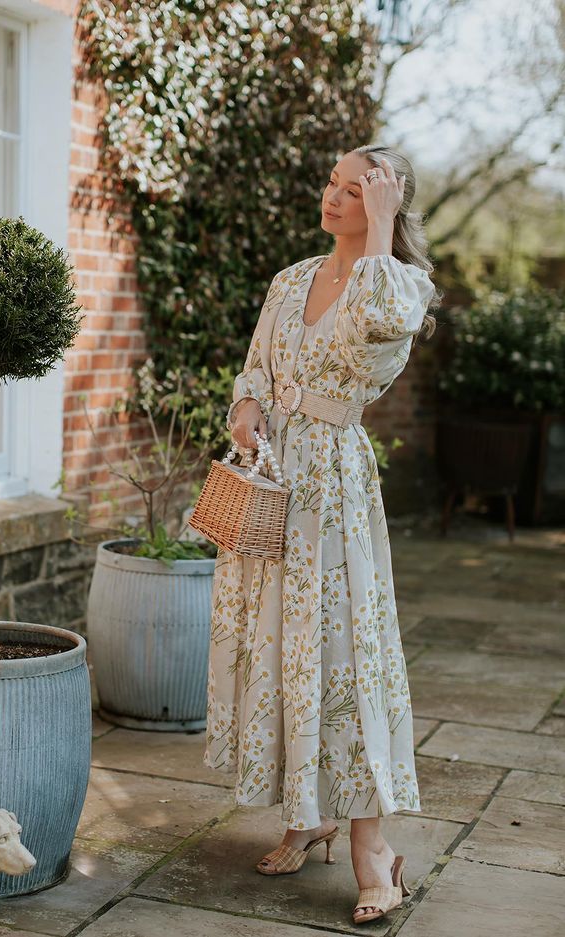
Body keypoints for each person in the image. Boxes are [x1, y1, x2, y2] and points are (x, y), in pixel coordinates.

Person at [203, 144, 440, 926]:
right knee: (281, 646)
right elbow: (255, 369)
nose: (331, 197)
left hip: (333, 489)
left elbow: (375, 325)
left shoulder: (398, 284)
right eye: (331, 183)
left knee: (343, 657)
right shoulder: (291, 278)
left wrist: (381, 227)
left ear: (386, 201)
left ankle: (376, 853)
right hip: (273, 486)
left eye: (352, 189)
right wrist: (246, 408)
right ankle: (308, 815)